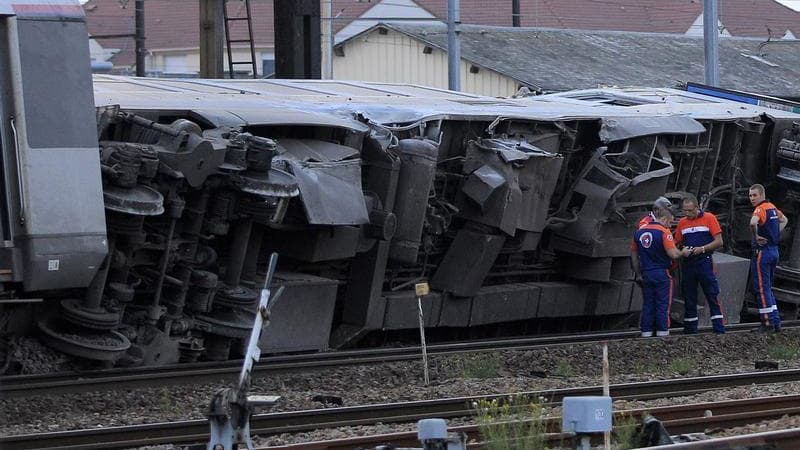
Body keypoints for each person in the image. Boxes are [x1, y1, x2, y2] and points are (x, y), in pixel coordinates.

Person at [674, 194, 726, 334]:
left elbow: (719, 241)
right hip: (688, 263)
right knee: (689, 295)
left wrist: (702, 249)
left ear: (697, 207)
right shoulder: (682, 223)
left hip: (704, 261)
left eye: (690, 210)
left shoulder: (709, 218)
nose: (687, 213)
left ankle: (719, 328)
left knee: (712, 294)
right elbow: (677, 242)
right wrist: (682, 250)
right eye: (685, 210)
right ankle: (691, 330)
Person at [631, 208, 686, 337]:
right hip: (662, 274)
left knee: (648, 304)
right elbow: (673, 254)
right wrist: (683, 252)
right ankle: (662, 333)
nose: (670, 226)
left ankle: (646, 333)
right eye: (670, 222)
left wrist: (638, 274)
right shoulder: (664, 232)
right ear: (664, 219)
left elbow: (634, 257)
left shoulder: (638, 233)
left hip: (646, 274)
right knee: (662, 304)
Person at [749, 184, 788, 333]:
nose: (752, 198)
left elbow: (752, 222)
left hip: (763, 252)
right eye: (750, 195)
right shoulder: (772, 207)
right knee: (768, 287)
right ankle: (775, 321)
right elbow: (785, 220)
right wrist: (775, 234)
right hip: (774, 251)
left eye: (754, 195)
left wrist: (756, 235)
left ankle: (767, 322)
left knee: (761, 287)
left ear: (761, 195)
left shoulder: (760, 209)